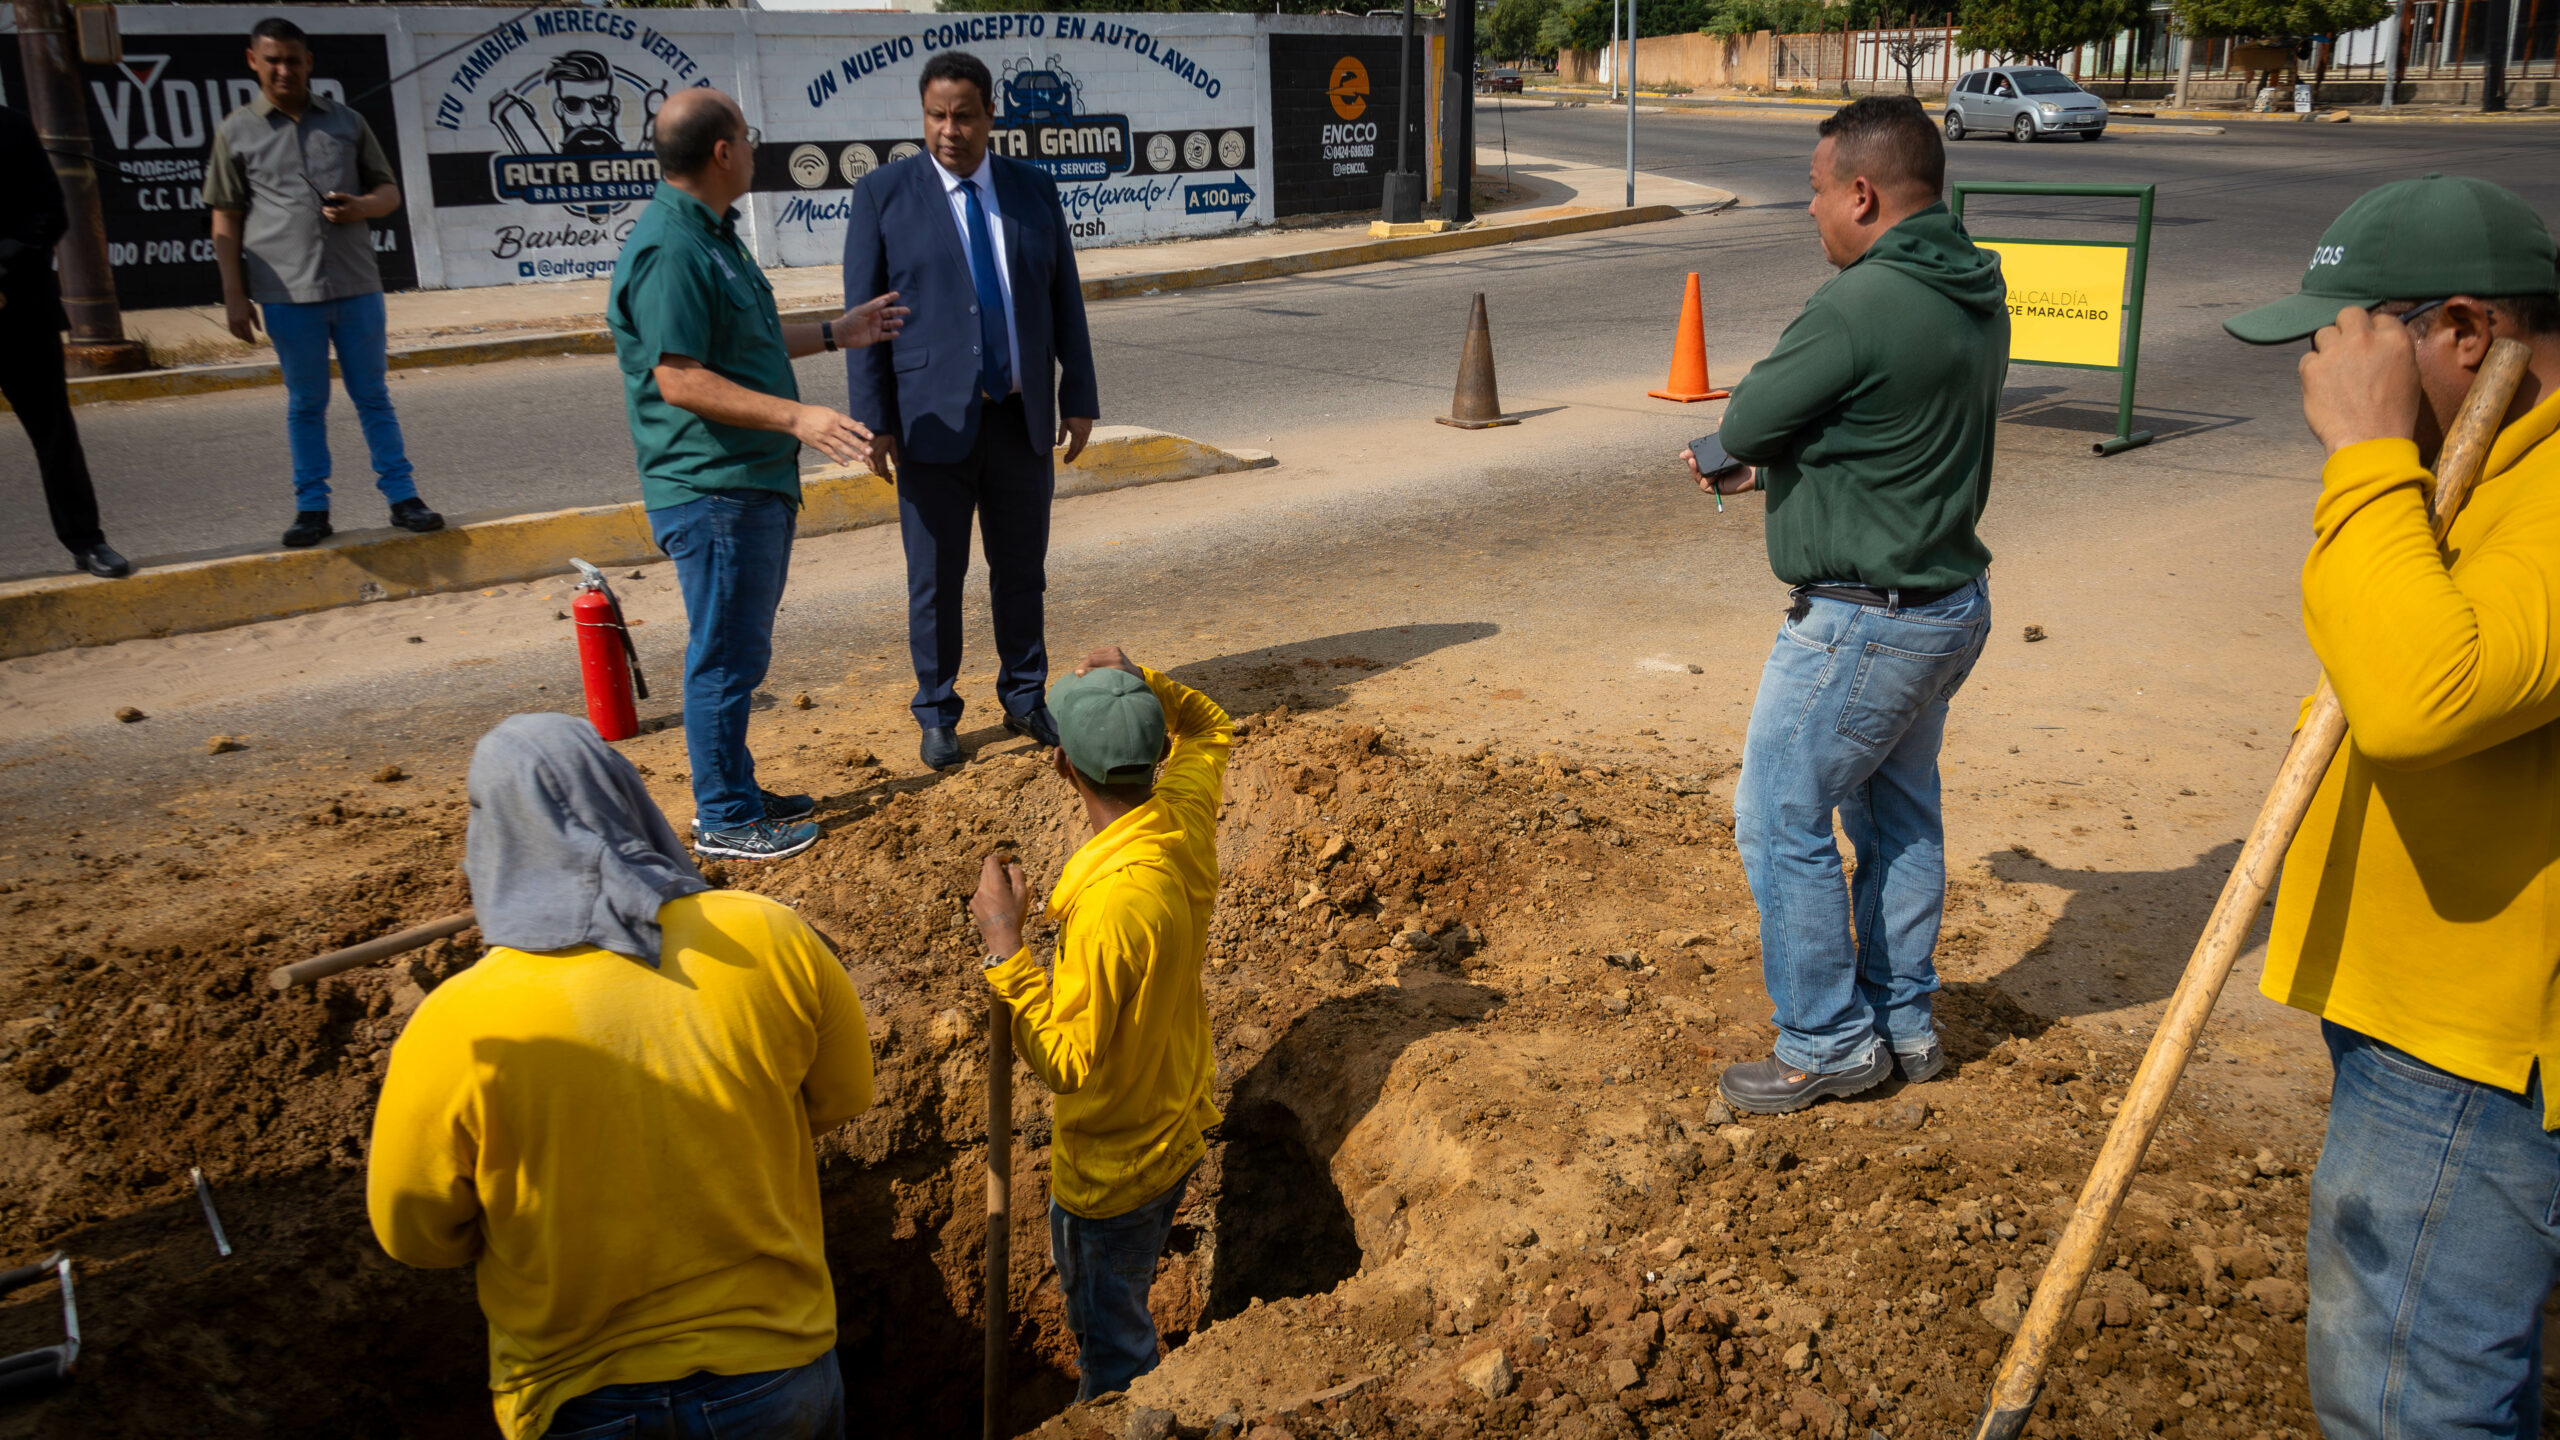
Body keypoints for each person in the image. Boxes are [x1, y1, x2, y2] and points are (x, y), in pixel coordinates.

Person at [2224, 174, 2560, 1440]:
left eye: (2353, 339)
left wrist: (2366, 456)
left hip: (2473, 1054)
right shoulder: (2485, 478)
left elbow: (2421, 697)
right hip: (2423, 1018)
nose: (2321, 369)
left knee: (2408, 1402)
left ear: (2464, 333)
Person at [368, 712, 875, 1440]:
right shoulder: (767, 936)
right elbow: (843, 1096)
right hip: (775, 1373)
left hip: (574, 1397)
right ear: (625, 797)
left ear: (493, 837)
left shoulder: (457, 1024)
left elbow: (415, 1235)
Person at [1683, 94, 2006, 1116]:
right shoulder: (1969, 284)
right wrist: (1789, 472)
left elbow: (1750, 414)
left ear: (1861, 193)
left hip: (1864, 624)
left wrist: (1761, 454)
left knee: (1779, 818)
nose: (1810, 211)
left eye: (1815, 192)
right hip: (1945, 600)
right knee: (1897, 814)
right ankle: (1902, 1023)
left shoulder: (1860, 302)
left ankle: (1825, 1041)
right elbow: (1889, 433)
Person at [605, 87, 905, 862]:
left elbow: (747, 339)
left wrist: (840, 333)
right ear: (722, 152)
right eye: (748, 135)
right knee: (727, 656)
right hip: (714, 487)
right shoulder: (672, 246)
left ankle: (735, 788)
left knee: (739, 650)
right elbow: (680, 377)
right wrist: (797, 418)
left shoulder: (710, 234)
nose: (754, 148)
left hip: (742, 484)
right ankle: (727, 817)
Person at [967, 646, 1227, 1400]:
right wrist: (1142, 684)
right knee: (1121, 1310)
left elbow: (1067, 1062)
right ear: (1155, 756)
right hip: (1172, 1125)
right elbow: (1209, 730)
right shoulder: (1182, 819)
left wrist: (1006, 948)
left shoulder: (1113, 906)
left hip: (1113, 1177)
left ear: (1061, 767)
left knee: (1112, 1351)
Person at [842, 50, 1101, 773]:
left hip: (1019, 421)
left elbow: (1064, 303)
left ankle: (1024, 695)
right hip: (929, 428)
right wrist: (875, 421)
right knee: (935, 579)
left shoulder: (1033, 191)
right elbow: (864, 319)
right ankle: (937, 710)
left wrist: (1077, 396)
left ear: (991, 116)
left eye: (962, 115)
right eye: (935, 115)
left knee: (1021, 570)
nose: (948, 130)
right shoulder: (884, 196)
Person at [207, 17, 442, 550]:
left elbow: (388, 193)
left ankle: (404, 499)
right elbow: (226, 216)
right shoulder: (237, 131)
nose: (283, 69)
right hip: (286, 294)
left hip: (356, 285)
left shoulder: (347, 122)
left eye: (293, 59)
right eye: (273, 59)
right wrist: (233, 293)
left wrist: (360, 206)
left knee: (373, 396)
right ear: (253, 61)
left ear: (309, 62)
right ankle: (312, 507)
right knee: (305, 403)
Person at [0, 102, 128, 579]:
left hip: (23, 313)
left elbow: (49, 212)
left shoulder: (9, 125)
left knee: (55, 436)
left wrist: (6, 263)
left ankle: (86, 542)